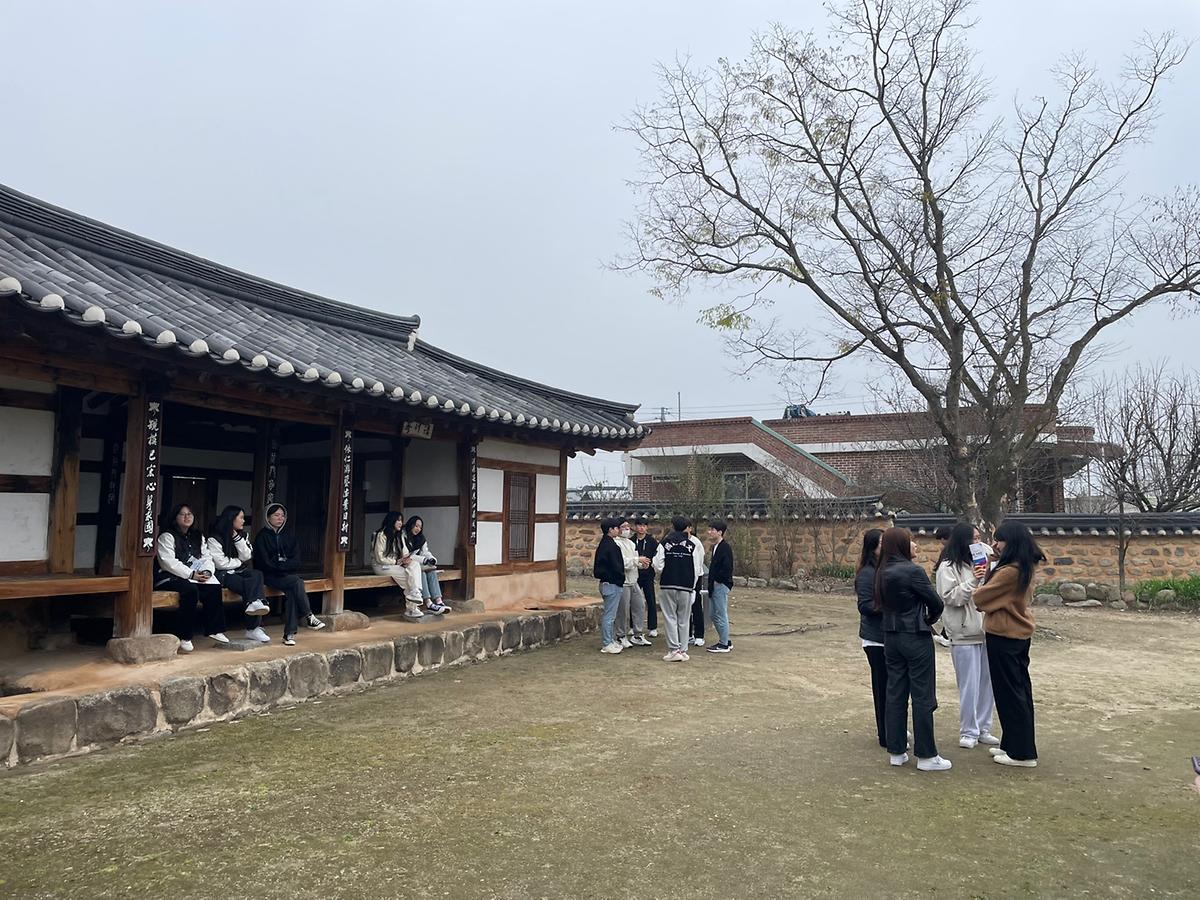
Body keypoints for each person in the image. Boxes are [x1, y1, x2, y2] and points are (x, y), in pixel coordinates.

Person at [875, 526, 951, 771]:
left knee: (895, 693)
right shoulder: (913, 571)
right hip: (915, 636)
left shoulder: (880, 571)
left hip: (891, 636)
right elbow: (936, 603)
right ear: (901, 545)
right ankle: (927, 756)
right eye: (911, 541)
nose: (916, 545)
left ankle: (897, 751)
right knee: (922, 695)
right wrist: (929, 620)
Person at [973, 520, 1045, 769]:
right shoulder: (1024, 565)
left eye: (999, 540)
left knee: (1010, 694)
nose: (996, 545)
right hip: (1017, 635)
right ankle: (1012, 743)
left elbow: (980, 597)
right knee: (1017, 691)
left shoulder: (1010, 571)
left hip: (1004, 634)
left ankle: (1022, 753)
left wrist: (988, 572)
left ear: (1010, 542)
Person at [935, 523, 999, 750]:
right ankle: (968, 730)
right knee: (969, 685)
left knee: (987, 684)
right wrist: (973, 580)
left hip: (987, 631)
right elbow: (950, 597)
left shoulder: (984, 560)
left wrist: (993, 561)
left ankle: (983, 728)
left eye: (980, 537)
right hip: (963, 633)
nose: (978, 543)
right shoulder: (947, 567)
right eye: (974, 538)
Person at [154, 504, 229, 651]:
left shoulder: (197, 536)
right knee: (190, 591)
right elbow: (168, 562)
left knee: (213, 587)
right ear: (175, 517)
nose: (187, 517)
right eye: (182, 514)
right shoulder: (167, 536)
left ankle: (215, 629)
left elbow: (206, 556)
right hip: (170, 577)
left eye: (189, 514)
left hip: (194, 575)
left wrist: (207, 572)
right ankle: (184, 636)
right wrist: (190, 574)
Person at [253, 502, 326, 646]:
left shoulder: (288, 535)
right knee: (297, 582)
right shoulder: (262, 536)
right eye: (276, 515)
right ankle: (307, 616)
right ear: (268, 517)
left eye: (282, 515)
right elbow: (264, 562)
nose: (280, 518)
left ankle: (289, 634)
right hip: (268, 576)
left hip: (286, 576)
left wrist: (282, 565)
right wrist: (282, 565)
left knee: (293, 591)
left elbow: (296, 560)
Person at [206, 505, 271, 644]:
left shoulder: (242, 535)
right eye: (241, 518)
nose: (243, 521)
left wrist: (236, 538)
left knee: (257, 574)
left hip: (240, 570)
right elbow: (220, 563)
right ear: (231, 519)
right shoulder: (214, 538)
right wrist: (238, 562)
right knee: (250, 587)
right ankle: (253, 627)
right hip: (222, 574)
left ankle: (254, 606)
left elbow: (247, 556)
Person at [652, 515, 706, 662]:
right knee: (684, 619)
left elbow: (657, 564)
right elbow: (697, 568)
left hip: (668, 584)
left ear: (673, 526)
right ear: (686, 528)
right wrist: (693, 587)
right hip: (686, 586)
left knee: (670, 617)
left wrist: (665, 570)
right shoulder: (692, 545)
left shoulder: (665, 543)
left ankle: (673, 650)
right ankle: (683, 650)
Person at [855, 528, 887, 747]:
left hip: (889, 636)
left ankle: (893, 727)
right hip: (875, 638)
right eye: (882, 543)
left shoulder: (884, 568)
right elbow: (865, 606)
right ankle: (885, 733)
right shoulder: (867, 573)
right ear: (872, 547)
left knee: (892, 687)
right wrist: (892, 606)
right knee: (882, 687)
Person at [371, 511, 426, 620]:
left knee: (414, 564)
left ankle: (415, 593)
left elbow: (404, 551)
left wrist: (406, 559)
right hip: (381, 566)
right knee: (409, 577)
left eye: (401, 521)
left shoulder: (398, 535)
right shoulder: (381, 535)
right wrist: (395, 562)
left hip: (395, 564)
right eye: (398, 520)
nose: (401, 523)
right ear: (392, 521)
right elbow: (379, 558)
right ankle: (412, 608)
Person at [402, 516, 452, 615]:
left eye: (420, 527)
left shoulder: (421, 538)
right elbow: (406, 556)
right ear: (411, 525)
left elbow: (425, 552)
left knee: (431, 570)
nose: (418, 529)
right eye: (416, 526)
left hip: (419, 563)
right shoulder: (403, 536)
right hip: (407, 565)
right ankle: (429, 603)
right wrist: (423, 560)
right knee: (422, 573)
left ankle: (439, 601)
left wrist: (431, 559)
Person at [614, 520, 651, 647]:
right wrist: (637, 560)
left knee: (640, 606)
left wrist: (642, 564)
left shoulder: (630, 543)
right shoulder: (615, 543)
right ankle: (621, 635)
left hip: (634, 580)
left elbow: (635, 561)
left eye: (628, 526)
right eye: (623, 527)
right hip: (623, 581)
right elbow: (622, 562)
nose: (627, 529)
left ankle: (638, 635)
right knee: (622, 610)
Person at [593, 517, 626, 654]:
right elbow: (616, 566)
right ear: (610, 529)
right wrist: (620, 577)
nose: (619, 530)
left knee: (611, 615)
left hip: (608, 583)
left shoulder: (605, 544)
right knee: (609, 616)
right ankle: (607, 643)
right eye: (617, 528)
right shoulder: (610, 546)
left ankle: (610, 640)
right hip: (611, 583)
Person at [706, 519, 733, 653]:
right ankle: (725, 639)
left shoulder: (725, 547)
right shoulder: (715, 546)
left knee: (720, 614)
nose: (709, 532)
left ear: (720, 532)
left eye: (712, 530)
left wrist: (718, 580)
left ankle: (724, 644)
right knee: (713, 614)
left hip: (720, 585)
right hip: (714, 585)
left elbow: (727, 568)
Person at [633, 518, 659, 637]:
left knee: (651, 600)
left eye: (644, 526)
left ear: (647, 527)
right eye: (639, 525)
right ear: (636, 527)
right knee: (633, 601)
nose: (641, 528)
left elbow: (657, 555)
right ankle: (633, 626)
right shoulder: (631, 541)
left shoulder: (652, 541)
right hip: (635, 574)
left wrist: (650, 563)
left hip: (648, 574)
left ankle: (653, 627)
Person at [931, 525, 954, 647]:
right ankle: (945, 635)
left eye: (941, 540)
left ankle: (946, 636)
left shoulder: (949, 551)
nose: (941, 543)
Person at [688, 522, 708, 647]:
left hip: (696, 577)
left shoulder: (696, 542)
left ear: (690, 529)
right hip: (683, 578)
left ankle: (699, 635)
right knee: (684, 608)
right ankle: (688, 634)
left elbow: (699, 562)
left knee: (696, 605)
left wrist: (694, 580)